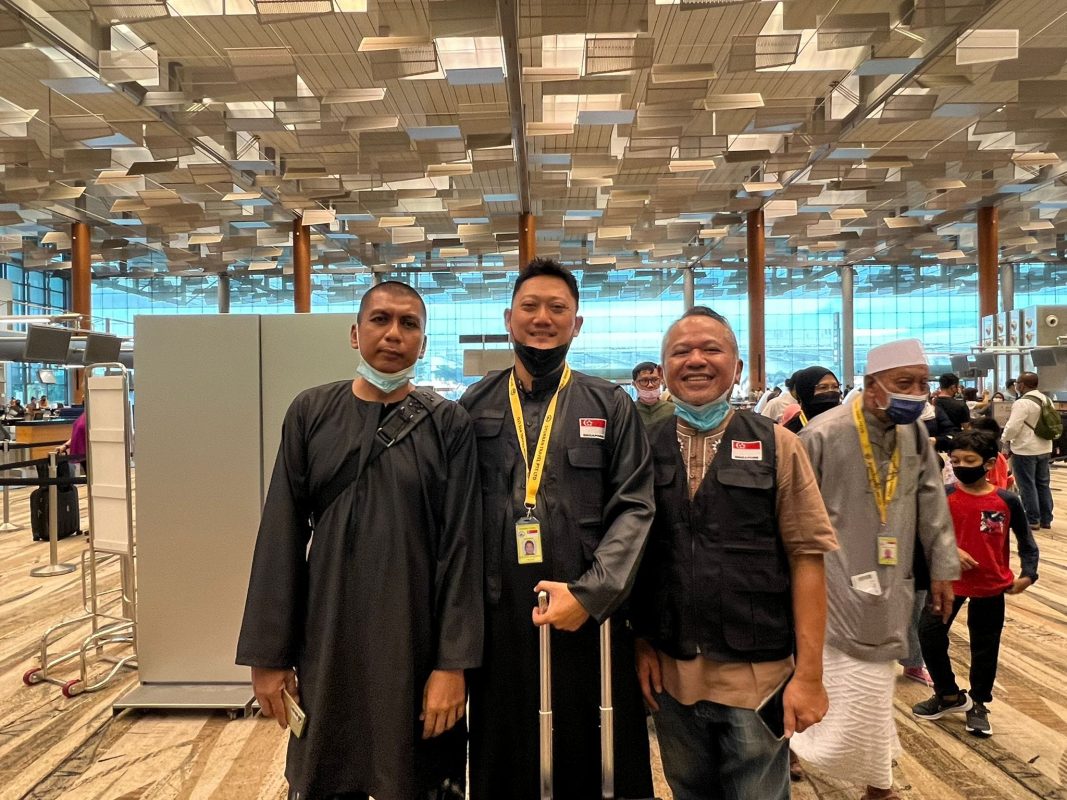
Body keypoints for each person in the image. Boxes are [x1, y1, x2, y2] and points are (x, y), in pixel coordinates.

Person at [236, 281, 483, 800]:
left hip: (416, 640)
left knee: (415, 778)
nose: (393, 334)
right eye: (380, 319)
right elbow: (280, 535)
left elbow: (462, 549)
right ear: (355, 333)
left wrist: (452, 665)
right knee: (328, 771)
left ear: (422, 343)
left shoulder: (448, 424)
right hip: (328, 635)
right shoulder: (310, 412)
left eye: (409, 324)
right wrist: (269, 656)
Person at [461, 258, 655, 800]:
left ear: (577, 323)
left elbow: (636, 507)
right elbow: (454, 515)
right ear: (509, 318)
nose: (542, 318)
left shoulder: (609, 405)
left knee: (591, 754)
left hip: (588, 617)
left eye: (557, 308)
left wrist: (592, 595)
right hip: (499, 616)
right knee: (506, 756)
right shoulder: (473, 405)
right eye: (530, 306)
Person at [631, 307, 837, 800]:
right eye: (681, 351)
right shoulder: (639, 448)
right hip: (670, 674)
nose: (696, 360)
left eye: (712, 349)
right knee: (688, 791)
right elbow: (631, 560)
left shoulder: (779, 445)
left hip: (757, 675)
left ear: (738, 367)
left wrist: (810, 675)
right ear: (663, 368)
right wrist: (639, 642)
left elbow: (808, 559)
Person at [789, 338, 959, 800]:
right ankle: (798, 748)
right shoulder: (822, 434)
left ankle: (875, 782)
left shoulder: (913, 433)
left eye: (922, 383)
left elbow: (933, 505)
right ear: (872, 385)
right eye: (905, 382)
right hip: (828, 579)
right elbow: (791, 511)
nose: (917, 393)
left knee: (876, 685)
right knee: (819, 671)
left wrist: (942, 568)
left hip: (889, 579)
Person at [914, 429, 1039, 737]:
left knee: (985, 646)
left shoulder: (1007, 500)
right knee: (929, 634)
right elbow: (923, 533)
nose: (960, 466)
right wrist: (950, 550)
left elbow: (1027, 543)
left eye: (969, 460)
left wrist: (1028, 574)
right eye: (955, 460)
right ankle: (948, 694)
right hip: (947, 583)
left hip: (990, 586)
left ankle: (979, 702)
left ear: (989, 463)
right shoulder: (944, 496)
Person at [1002, 371, 1055, 531]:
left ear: (1022, 385)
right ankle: (1046, 519)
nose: (1016, 385)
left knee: (1027, 484)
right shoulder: (1046, 399)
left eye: (1017, 383)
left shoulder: (1022, 403)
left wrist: (1004, 439)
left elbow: (1013, 426)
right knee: (1043, 484)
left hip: (1025, 449)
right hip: (1045, 447)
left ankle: (1033, 519)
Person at [782, 365, 841, 433]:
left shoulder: (845, 422)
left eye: (835, 387)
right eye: (823, 387)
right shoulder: (791, 431)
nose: (830, 391)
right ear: (806, 391)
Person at [631, 360, 675, 426]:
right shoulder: (628, 411)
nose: (650, 385)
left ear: (661, 381)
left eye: (655, 380)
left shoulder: (673, 410)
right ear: (634, 384)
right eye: (644, 381)